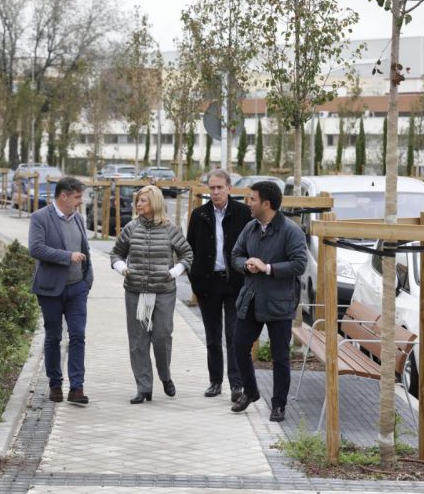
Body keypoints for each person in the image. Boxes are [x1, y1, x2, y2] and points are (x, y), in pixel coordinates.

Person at [230, 181, 307, 422]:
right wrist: (245, 264)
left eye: (252, 199)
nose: (247, 203)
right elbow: (235, 254)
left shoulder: (291, 231)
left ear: (266, 203)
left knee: (280, 356)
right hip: (251, 299)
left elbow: (299, 264)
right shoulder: (251, 227)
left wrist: (267, 268)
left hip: (280, 304)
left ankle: (279, 405)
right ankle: (251, 392)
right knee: (239, 347)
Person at [110, 185, 193, 404]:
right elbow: (116, 253)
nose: (138, 204)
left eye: (143, 201)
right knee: (138, 341)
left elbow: (187, 254)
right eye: (138, 200)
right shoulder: (131, 228)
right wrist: (123, 269)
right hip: (135, 291)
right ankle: (144, 387)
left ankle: (165, 376)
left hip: (163, 291)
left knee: (161, 336)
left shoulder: (169, 229)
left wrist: (174, 272)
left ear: (154, 203)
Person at [186, 169, 252, 402]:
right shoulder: (199, 215)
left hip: (235, 282)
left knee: (234, 335)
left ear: (229, 188)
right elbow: (190, 249)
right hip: (208, 283)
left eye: (219, 188)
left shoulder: (243, 213)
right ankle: (215, 381)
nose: (215, 192)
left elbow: (250, 246)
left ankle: (237, 384)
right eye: (211, 188)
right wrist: (195, 279)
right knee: (212, 335)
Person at [28, 177, 93, 404]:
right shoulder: (40, 218)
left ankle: (77, 388)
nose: (80, 201)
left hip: (77, 288)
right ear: (63, 196)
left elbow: (86, 250)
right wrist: (67, 257)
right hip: (50, 290)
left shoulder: (79, 219)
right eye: (77, 197)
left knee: (77, 335)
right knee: (54, 336)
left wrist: (87, 280)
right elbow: (36, 248)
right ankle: (55, 384)